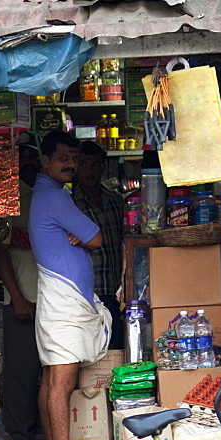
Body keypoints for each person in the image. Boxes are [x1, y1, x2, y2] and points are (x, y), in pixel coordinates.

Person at [28, 131, 110, 440]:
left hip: (60, 299)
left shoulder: (50, 194)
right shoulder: (55, 198)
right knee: (61, 384)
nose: (71, 165)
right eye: (63, 158)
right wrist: (82, 236)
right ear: (46, 161)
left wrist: (79, 235)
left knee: (51, 382)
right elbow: (96, 236)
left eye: (73, 159)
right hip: (63, 302)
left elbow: (88, 236)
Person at [0, 136, 44, 440]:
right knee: (21, 375)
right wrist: (18, 298)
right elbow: (1, 254)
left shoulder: (49, 196)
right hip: (23, 300)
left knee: (50, 373)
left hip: (52, 300)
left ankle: (42, 437)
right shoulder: (10, 201)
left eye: (32, 159)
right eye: (21, 160)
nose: (28, 165)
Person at [71, 140, 125, 350]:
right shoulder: (71, 204)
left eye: (95, 165)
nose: (89, 171)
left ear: (103, 167)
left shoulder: (116, 201)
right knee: (93, 347)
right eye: (83, 164)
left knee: (118, 344)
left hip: (118, 290)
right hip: (90, 292)